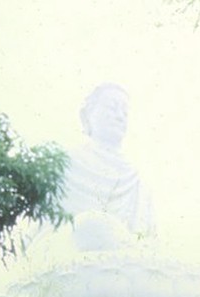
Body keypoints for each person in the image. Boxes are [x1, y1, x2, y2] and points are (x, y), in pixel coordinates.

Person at [65, 82, 156, 251]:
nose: (120, 116)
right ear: (88, 116)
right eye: (112, 108)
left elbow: (147, 239)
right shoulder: (69, 162)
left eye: (125, 112)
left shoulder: (137, 180)